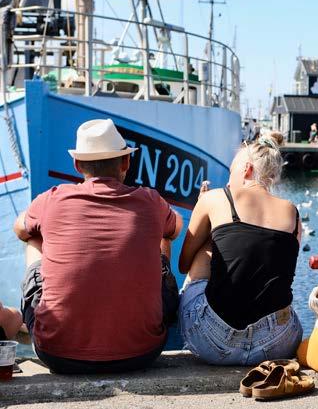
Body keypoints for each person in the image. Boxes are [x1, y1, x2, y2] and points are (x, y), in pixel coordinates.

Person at [13, 119, 183, 374]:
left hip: (57, 355)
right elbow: (176, 229)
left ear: (77, 165)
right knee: (163, 237)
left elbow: (19, 229)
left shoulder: (52, 198)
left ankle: (50, 320)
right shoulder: (151, 201)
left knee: (33, 237)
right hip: (142, 354)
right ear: (125, 162)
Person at [178, 131, 302, 365]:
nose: (227, 181)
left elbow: (183, 265)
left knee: (206, 248)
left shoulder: (215, 197)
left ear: (246, 170)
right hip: (277, 344)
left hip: (214, 342)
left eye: (231, 172)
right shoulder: (292, 212)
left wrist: (206, 220)